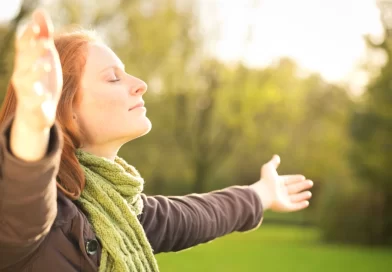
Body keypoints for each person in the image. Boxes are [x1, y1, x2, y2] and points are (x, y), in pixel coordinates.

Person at [0, 9, 313, 272]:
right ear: (66, 110)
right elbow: (23, 191)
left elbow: (197, 216)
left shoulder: (118, 212)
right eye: (113, 78)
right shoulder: (28, 216)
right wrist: (33, 121)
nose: (140, 85)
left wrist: (262, 194)